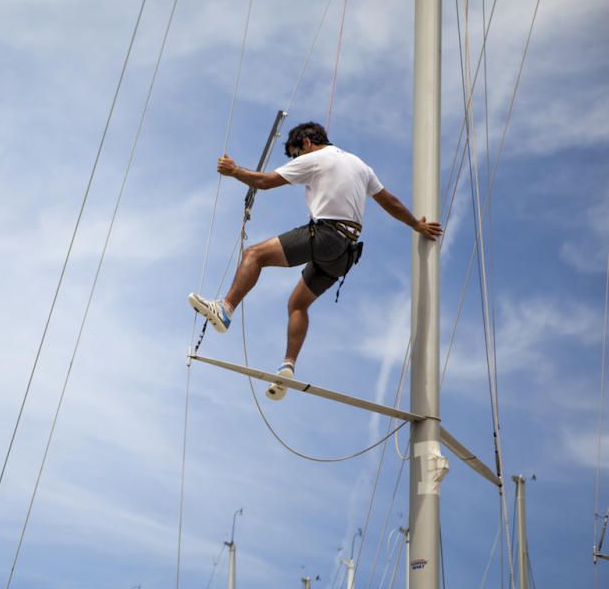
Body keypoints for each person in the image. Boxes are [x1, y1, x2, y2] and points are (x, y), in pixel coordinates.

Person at [188, 122, 443, 400]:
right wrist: (416, 226)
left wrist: (234, 171)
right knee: (297, 303)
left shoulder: (314, 158)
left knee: (254, 255)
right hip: (345, 255)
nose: (296, 160)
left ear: (307, 143)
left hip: (325, 235)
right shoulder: (360, 165)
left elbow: (265, 182)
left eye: (296, 153)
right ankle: (288, 366)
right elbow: (390, 201)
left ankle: (225, 310)